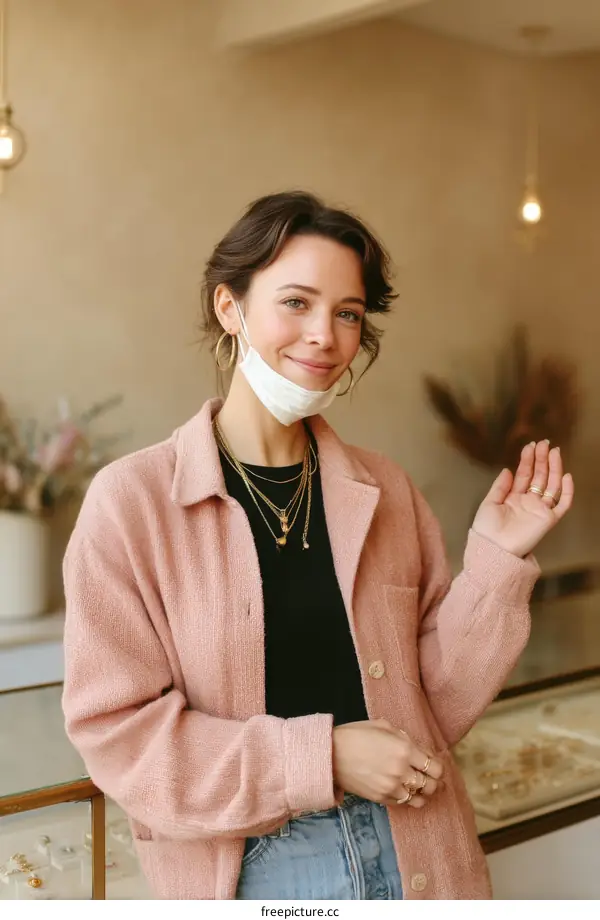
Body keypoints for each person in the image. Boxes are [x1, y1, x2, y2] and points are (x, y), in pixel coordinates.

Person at [62, 191, 573, 901]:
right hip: (255, 867)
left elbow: (438, 708)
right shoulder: (132, 505)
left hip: (420, 844)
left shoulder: (386, 491)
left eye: (348, 314)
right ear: (229, 309)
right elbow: (121, 736)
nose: (324, 337)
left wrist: (495, 558)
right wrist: (322, 758)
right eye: (296, 303)